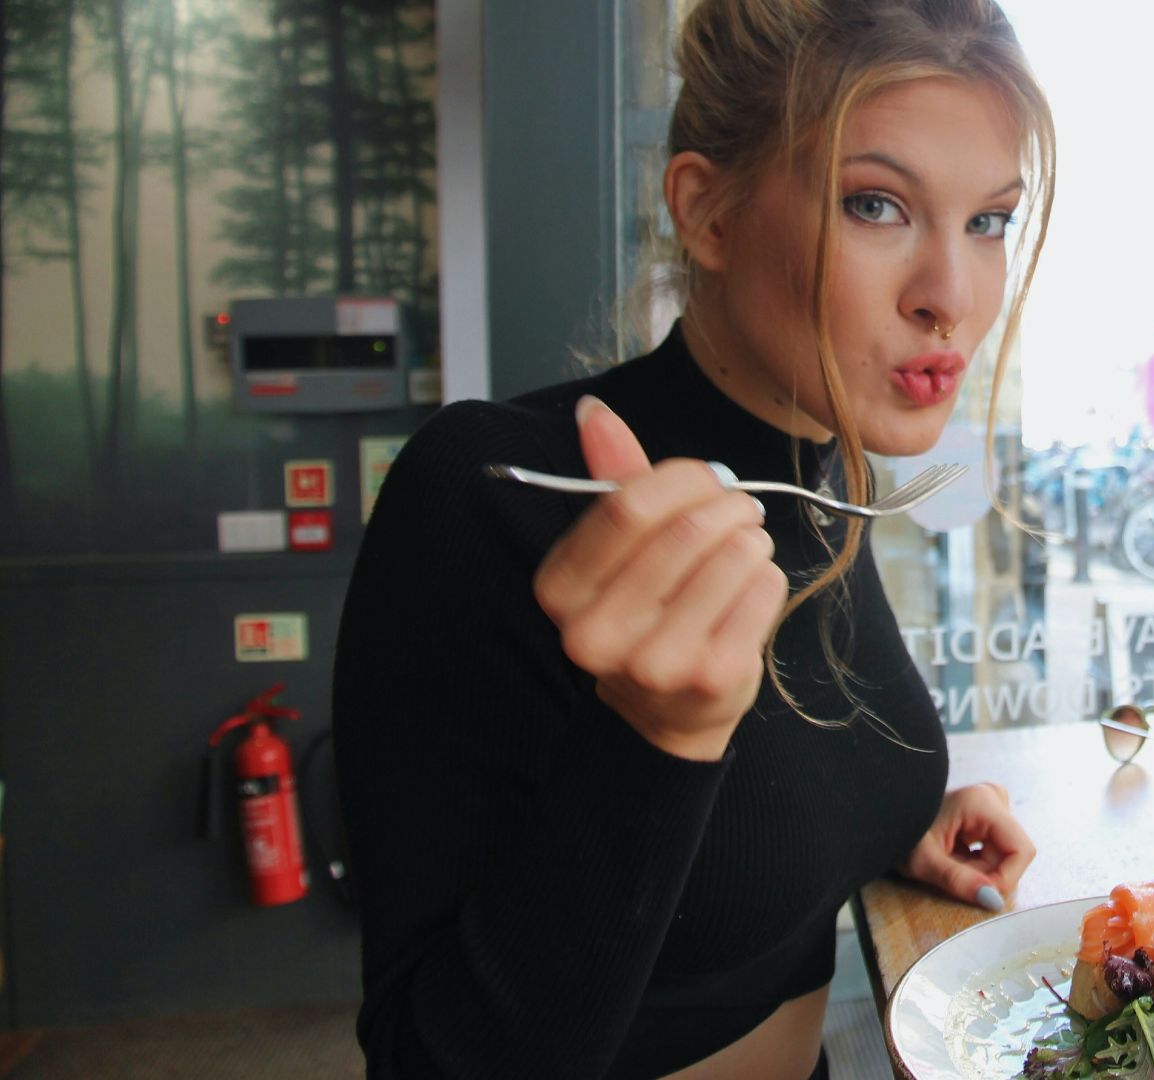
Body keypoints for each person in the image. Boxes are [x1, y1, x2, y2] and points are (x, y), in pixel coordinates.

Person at [331, 1, 1054, 1077]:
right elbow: (424, 1059)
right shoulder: (488, 492)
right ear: (709, 212)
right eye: (876, 205)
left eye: (989, 221)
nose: (952, 298)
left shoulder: (827, 471)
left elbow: (741, 829)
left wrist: (885, 819)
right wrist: (653, 736)